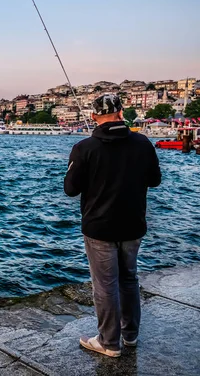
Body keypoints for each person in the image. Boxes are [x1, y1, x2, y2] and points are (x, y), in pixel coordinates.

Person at [64, 94, 161, 358]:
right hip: (133, 224)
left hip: (99, 228)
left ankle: (109, 342)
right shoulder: (143, 143)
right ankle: (130, 335)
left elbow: (70, 189)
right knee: (129, 279)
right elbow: (155, 180)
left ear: (94, 117)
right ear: (121, 114)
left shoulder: (84, 148)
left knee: (105, 285)